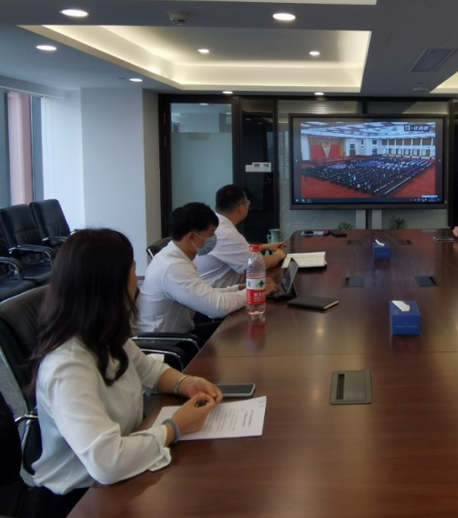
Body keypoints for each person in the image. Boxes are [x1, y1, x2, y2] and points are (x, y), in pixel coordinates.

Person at [31, 228, 222, 504]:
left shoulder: (103, 333)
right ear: (111, 285)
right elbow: (107, 463)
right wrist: (175, 427)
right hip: (80, 497)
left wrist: (185, 382)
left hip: (128, 467)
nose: (137, 278)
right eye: (132, 269)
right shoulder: (67, 366)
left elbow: (149, 370)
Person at [137, 202, 276, 342]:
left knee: (242, 327)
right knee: (244, 332)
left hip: (182, 333)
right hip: (170, 344)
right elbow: (217, 307)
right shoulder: (173, 267)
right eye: (211, 234)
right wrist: (255, 292)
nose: (214, 238)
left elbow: (206, 294)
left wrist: (238, 288)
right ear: (191, 237)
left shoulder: (175, 256)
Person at [195, 185, 286, 288]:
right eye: (248, 203)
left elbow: (237, 250)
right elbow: (255, 265)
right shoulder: (227, 233)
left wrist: (265, 247)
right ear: (241, 208)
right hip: (216, 293)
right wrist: (278, 256)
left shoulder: (218, 224)